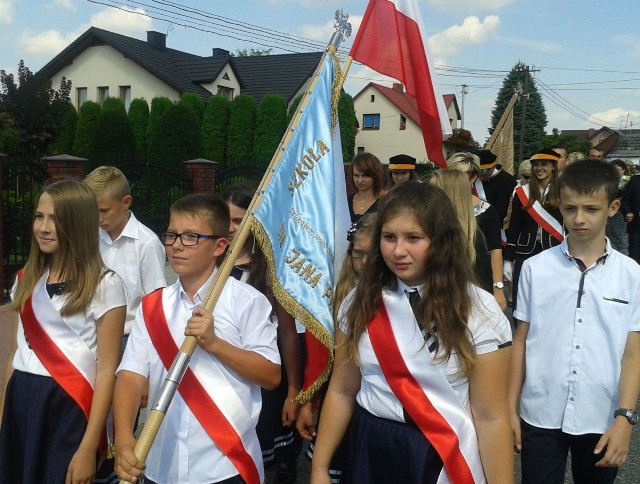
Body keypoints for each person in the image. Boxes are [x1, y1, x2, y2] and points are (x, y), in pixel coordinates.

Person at [311, 181, 513, 484]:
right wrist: (319, 468)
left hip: (442, 452)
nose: (398, 251)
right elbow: (341, 390)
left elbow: (491, 417)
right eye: (389, 237)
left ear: (441, 241)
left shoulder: (478, 309)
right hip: (373, 445)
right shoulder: (359, 301)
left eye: (413, 238)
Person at [113, 193, 281, 484]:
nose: (177, 245)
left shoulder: (247, 301)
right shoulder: (153, 306)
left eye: (191, 236)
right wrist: (125, 438)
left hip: (225, 464)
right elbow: (131, 375)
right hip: (160, 462)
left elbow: (270, 375)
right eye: (172, 235)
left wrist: (215, 344)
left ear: (219, 246)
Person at [509, 159, 640, 484]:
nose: (578, 219)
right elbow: (520, 341)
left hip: (601, 414)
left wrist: (625, 419)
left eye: (591, 209)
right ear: (560, 207)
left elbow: (633, 352)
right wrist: (509, 409)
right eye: (570, 209)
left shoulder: (632, 275)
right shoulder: (536, 269)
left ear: (613, 208)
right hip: (540, 412)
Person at [0, 179, 127, 483]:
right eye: (39, 216)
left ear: (79, 223)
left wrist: (87, 447)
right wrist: (4, 416)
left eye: (55, 219)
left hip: (69, 407)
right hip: (22, 398)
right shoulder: (25, 279)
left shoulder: (105, 286)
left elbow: (107, 369)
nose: (43, 227)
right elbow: (17, 352)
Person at [224, 183, 302, 484]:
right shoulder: (215, 261)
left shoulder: (269, 268)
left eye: (238, 220)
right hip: (225, 362)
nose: (231, 228)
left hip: (262, 363)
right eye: (226, 219)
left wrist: (294, 389)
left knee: (261, 436)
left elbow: (286, 332)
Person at [298, 214, 377, 484]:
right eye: (358, 253)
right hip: (339, 399)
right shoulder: (338, 296)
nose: (365, 262)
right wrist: (308, 401)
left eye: (373, 253)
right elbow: (320, 359)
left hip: (375, 411)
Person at [83, 166, 166, 347]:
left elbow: (155, 301)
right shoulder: (88, 236)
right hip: (88, 334)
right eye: (91, 210)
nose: (97, 218)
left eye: (103, 210)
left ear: (126, 202)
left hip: (128, 339)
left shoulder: (147, 243)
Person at [504, 148, 563, 313]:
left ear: (553, 166)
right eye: (536, 165)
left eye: (544, 164)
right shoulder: (522, 192)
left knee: (550, 297)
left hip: (554, 250)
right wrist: (508, 259)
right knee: (522, 298)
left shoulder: (564, 191)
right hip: (525, 251)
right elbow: (514, 225)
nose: (539, 168)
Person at [447, 152, 507, 311]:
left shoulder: (486, 211)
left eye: (460, 175)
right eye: (451, 174)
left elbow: (495, 250)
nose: (454, 180)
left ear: (473, 177)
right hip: (443, 281)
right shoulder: (434, 205)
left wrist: (498, 288)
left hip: (478, 281)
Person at [430, 169, 493, 293]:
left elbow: (484, 289)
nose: (426, 195)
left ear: (449, 195)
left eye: (432, 191)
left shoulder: (473, 238)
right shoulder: (426, 230)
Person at [477, 149, 517, 225]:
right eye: (476, 171)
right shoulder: (474, 177)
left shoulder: (508, 181)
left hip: (492, 225)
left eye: (483, 172)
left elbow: (501, 212)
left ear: (493, 167)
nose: (479, 177)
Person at [348, 152, 385, 223]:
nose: (360, 180)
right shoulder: (346, 203)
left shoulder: (384, 205)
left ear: (375, 176)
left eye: (365, 176)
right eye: (356, 175)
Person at [605, 159, 630, 255]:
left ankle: (623, 260)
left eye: (617, 169)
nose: (615, 171)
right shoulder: (607, 182)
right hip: (608, 212)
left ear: (623, 170)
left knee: (621, 240)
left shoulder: (627, 181)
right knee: (610, 238)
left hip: (620, 213)